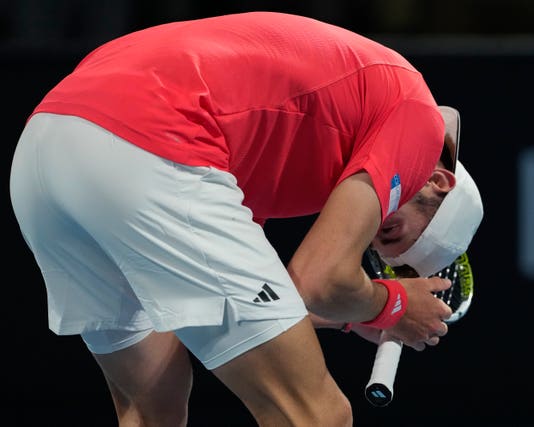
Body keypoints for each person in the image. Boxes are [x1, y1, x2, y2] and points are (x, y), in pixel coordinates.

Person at [9, 11, 482, 427]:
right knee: (315, 415)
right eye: (389, 230)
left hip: (46, 144)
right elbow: (321, 278)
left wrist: (350, 314)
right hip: (152, 137)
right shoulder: (418, 121)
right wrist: (392, 304)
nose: (368, 235)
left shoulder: (282, 149)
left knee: (153, 408)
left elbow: (216, 299)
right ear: (437, 181)